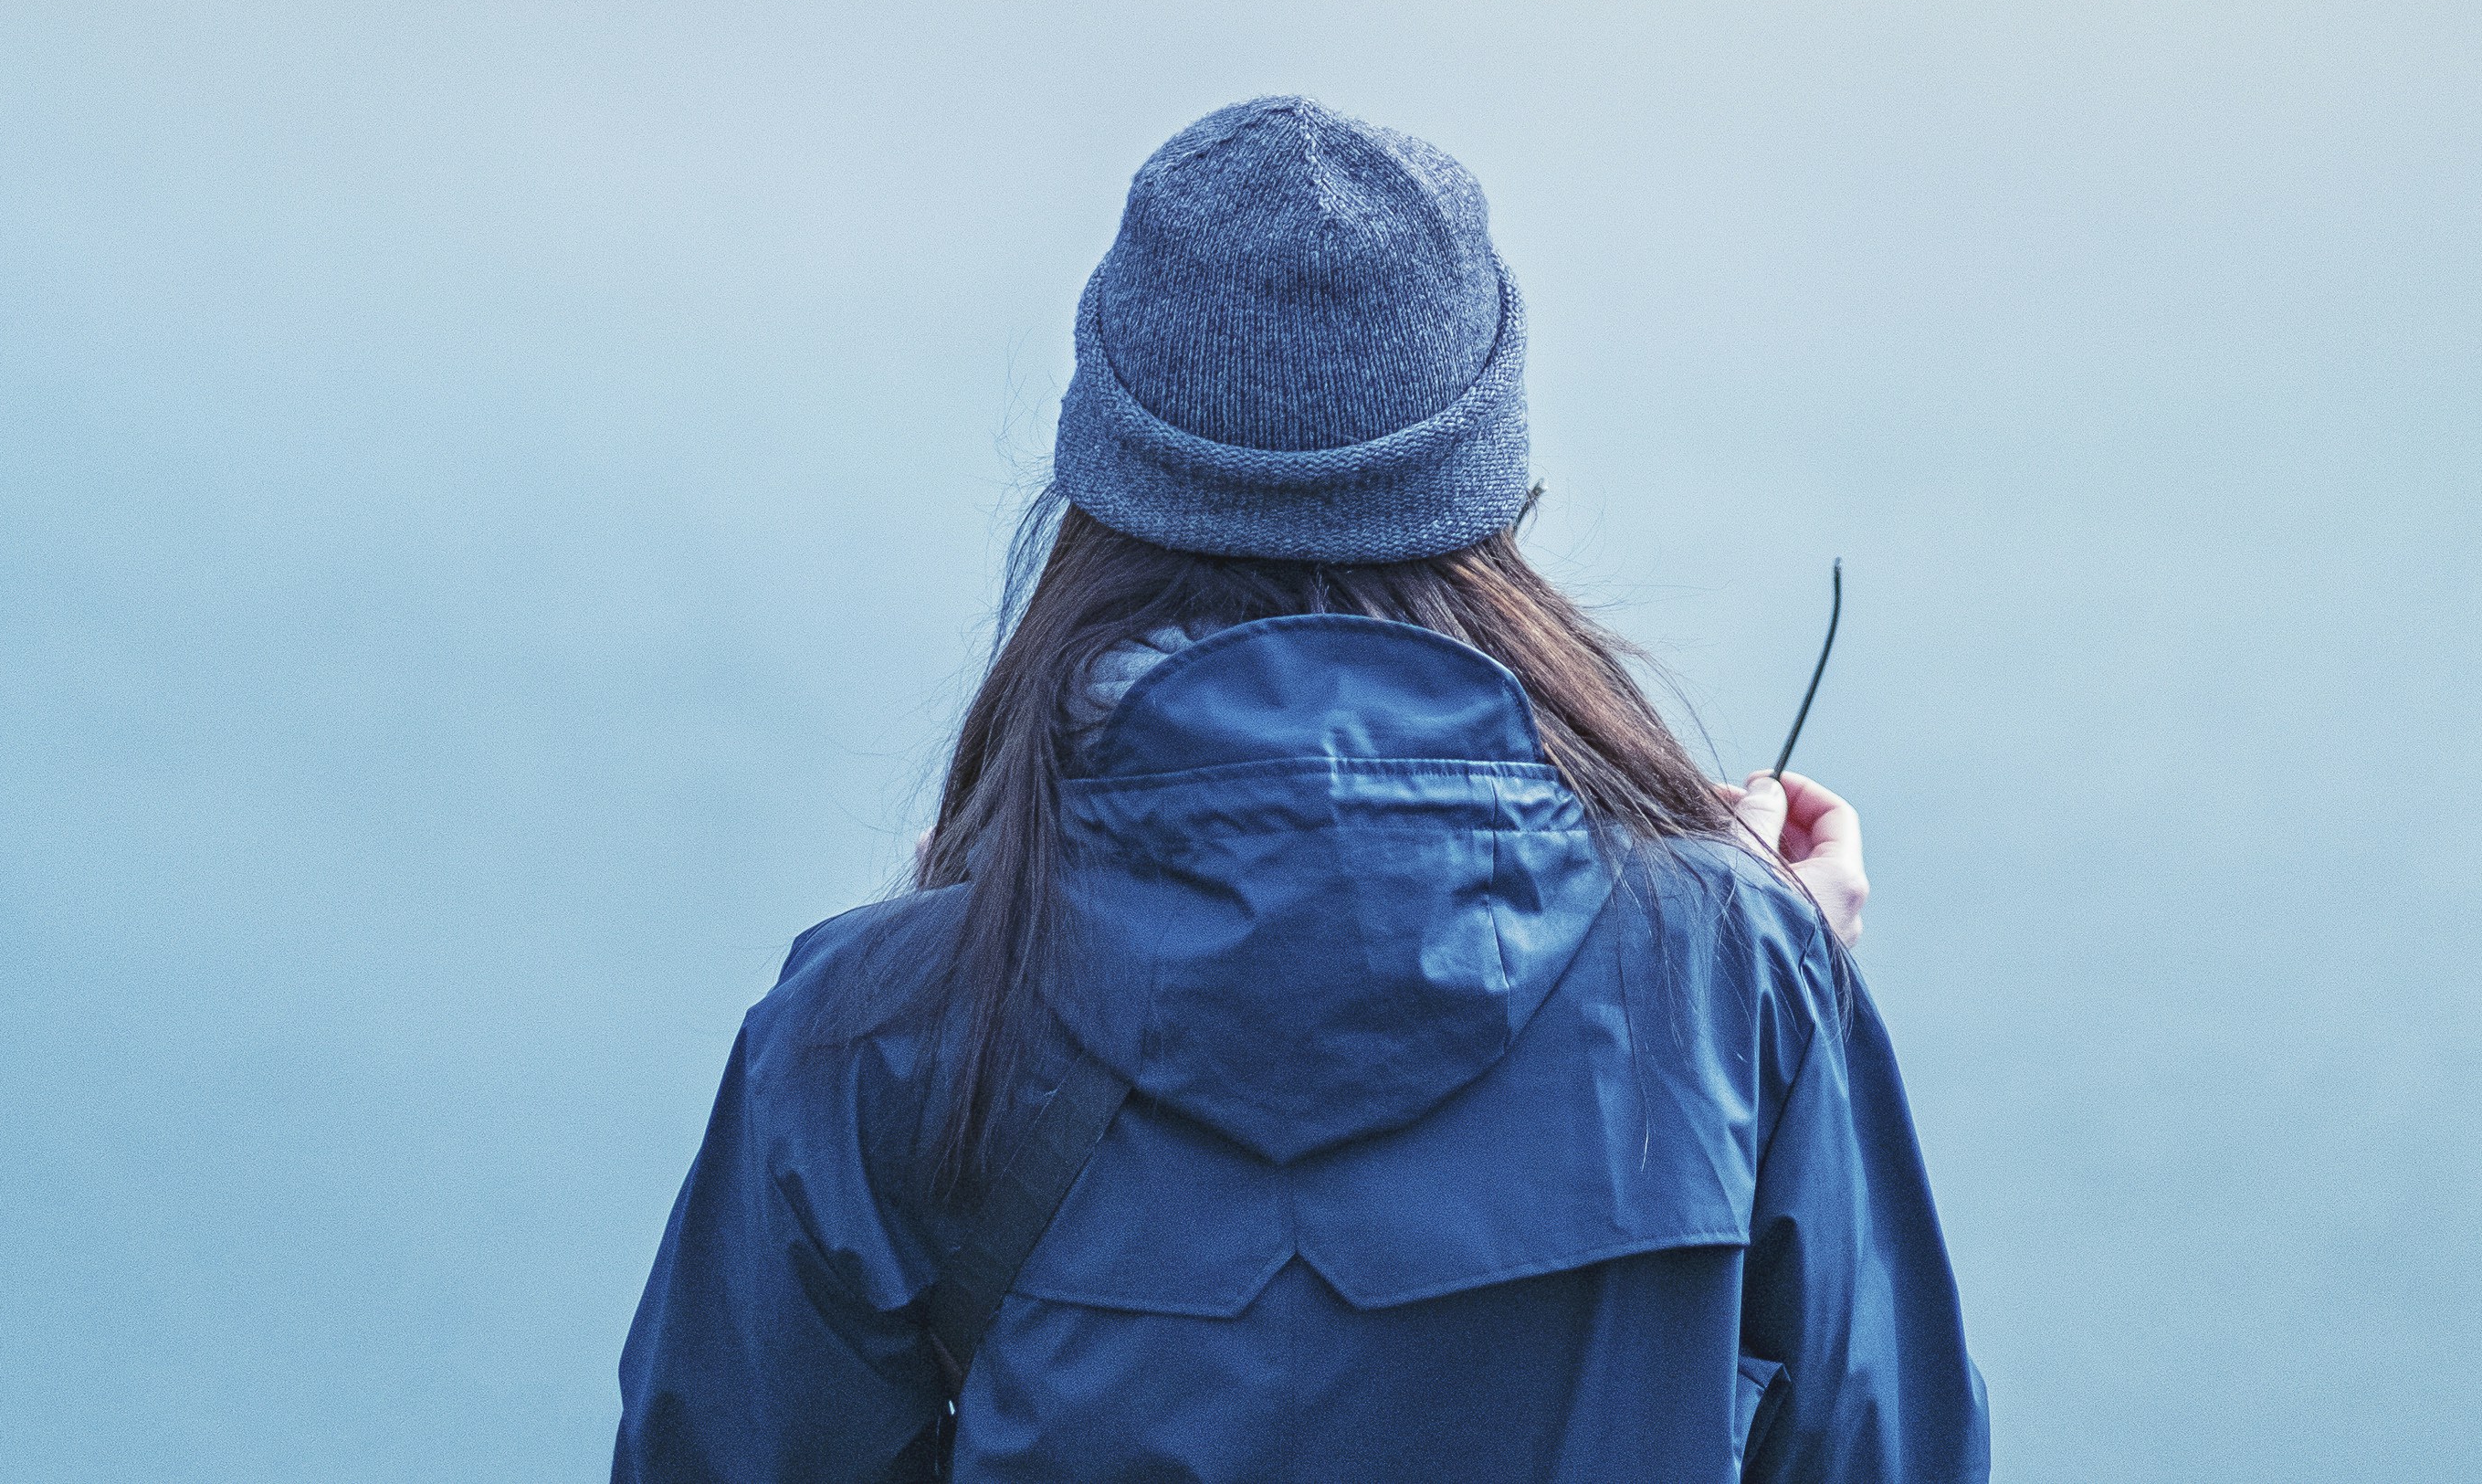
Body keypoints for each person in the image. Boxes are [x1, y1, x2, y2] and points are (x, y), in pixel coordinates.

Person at [615, 96, 1989, 1480]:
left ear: (1097, 488)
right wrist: (1761, 961)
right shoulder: (1732, 976)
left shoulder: (871, 1029)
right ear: (1493, 495)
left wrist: (938, 965)